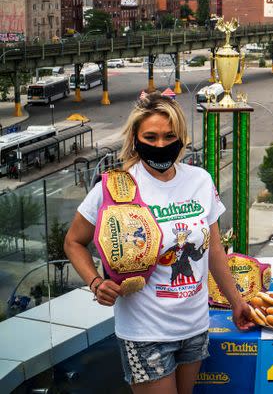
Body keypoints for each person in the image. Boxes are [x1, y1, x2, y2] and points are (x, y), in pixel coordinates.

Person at [64, 91, 253, 393]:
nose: (161, 145)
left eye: (169, 136)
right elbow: (73, 241)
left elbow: (214, 249)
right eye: (150, 137)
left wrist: (237, 302)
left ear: (181, 137)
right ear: (135, 138)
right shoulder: (115, 186)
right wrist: (95, 282)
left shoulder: (200, 180)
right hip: (144, 331)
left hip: (194, 326)